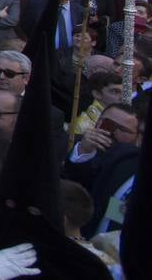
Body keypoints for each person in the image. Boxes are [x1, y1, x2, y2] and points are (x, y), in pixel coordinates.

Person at [62, 102, 142, 238]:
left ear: (137, 137)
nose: (113, 132)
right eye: (108, 124)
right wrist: (84, 151)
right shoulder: (71, 142)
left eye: (123, 129)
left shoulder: (131, 167)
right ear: (97, 122)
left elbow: (114, 214)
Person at [72, 71, 125, 138]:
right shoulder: (83, 124)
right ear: (97, 94)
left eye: (123, 93)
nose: (122, 97)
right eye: (116, 92)